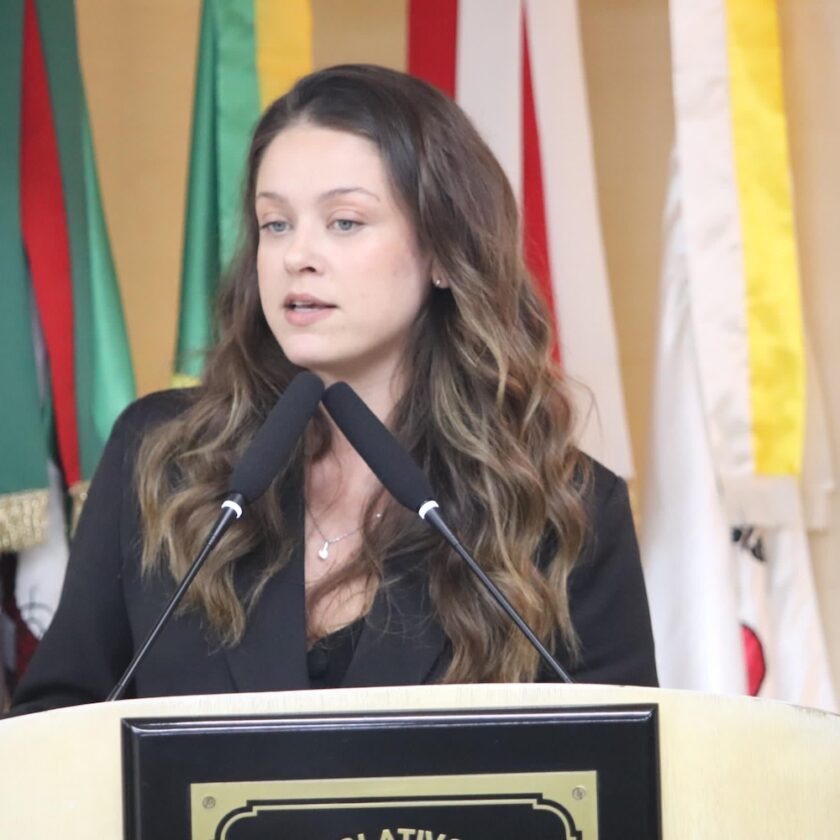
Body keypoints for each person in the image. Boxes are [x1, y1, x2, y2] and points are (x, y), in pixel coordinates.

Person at [10, 64, 656, 715]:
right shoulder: (160, 458)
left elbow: (621, 758)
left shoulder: (562, 510)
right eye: (275, 224)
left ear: (442, 250)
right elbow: (58, 718)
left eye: (344, 222)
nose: (298, 256)